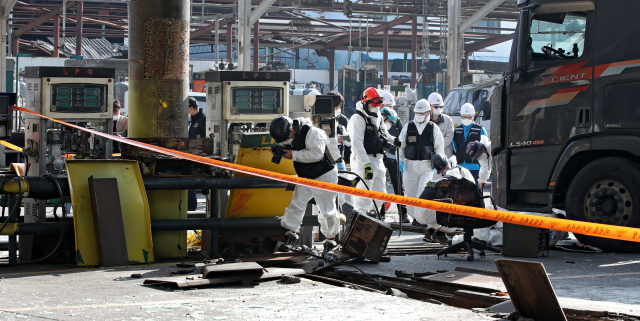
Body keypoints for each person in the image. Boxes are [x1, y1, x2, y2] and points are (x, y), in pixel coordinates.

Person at [269, 116, 341, 254]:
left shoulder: (314, 133)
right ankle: (291, 235)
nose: (285, 142)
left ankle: (331, 241)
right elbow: (291, 148)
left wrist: (293, 155)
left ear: (292, 130)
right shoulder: (291, 135)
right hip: (305, 176)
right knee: (296, 203)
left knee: (327, 209)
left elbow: (317, 154)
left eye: (285, 139)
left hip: (324, 175)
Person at [347, 87, 399, 217]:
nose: (375, 108)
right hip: (363, 161)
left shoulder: (378, 118)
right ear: (365, 103)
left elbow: (384, 133)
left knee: (380, 193)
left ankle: (372, 216)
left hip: (378, 159)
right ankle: (360, 219)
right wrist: (366, 164)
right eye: (372, 105)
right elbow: (357, 144)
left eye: (377, 105)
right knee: (363, 195)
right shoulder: (358, 119)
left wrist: (394, 141)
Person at [398, 99, 444, 225]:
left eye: (422, 113)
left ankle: (421, 218)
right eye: (417, 113)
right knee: (410, 192)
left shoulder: (433, 128)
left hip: (426, 165)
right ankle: (414, 217)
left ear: (428, 113)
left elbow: (440, 147)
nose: (419, 115)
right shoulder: (408, 127)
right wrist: (401, 160)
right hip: (409, 164)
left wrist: (438, 163)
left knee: (423, 191)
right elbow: (400, 145)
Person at [415, 153, 474, 244]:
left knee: (443, 207)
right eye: (441, 170)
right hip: (427, 210)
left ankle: (430, 231)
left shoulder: (462, 172)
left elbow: (473, 191)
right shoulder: (437, 173)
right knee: (455, 212)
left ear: (449, 162)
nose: (443, 171)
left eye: (445, 168)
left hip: (420, 210)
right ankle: (440, 234)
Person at [380, 105, 410, 223]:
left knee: (398, 186)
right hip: (380, 158)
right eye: (390, 121)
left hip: (393, 157)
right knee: (380, 186)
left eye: (393, 122)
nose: (391, 124)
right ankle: (381, 213)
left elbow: (401, 137)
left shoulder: (397, 123)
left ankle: (403, 214)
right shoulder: (376, 123)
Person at [453, 103, 488, 184]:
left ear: (473, 116)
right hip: (460, 167)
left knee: (476, 192)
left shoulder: (481, 130)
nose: (466, 119)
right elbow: (453, 148)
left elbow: (486, 150)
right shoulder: (456, 130)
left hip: (475, 167)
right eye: (463, 116)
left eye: (468, 117)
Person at [187, 97, 207, 211]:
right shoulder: (194, 120)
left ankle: (191, 209)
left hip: (198, 158)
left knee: (190, 183)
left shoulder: (202, 120)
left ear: (191, 108)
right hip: (191, 156)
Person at [327, 91, 348, 171]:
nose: (339, 108)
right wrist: (338, 160)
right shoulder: (325, 120)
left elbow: (349, 141)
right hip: (329, 161)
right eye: (339, 105)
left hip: (337, 157)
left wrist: (344, 138)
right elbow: (329, 143)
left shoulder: (338, 124)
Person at [428, 93, 454, 158]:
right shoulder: (426, 121)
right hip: (428, 156)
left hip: (445, 156)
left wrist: (437, 147)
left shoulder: (448, 120)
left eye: (441, 107)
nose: (438, 108)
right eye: (436, 107)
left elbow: (449, 137)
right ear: (429, 106)